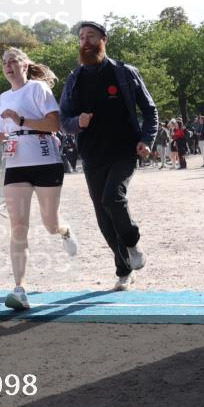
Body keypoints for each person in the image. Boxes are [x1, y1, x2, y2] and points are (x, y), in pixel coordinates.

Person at [59, 20, 158, 292]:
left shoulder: (125, 73)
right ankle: (124, 269)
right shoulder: (74, 79)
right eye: (81, 37)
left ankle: (132, 242)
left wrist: (146, 140)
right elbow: (62, 120)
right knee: (103, 216)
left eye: (91, 36)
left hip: (124, 149)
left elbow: (150, 110)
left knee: (112, 197)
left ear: (104, 39)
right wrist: (77, 121)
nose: (85, 41)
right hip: (91, 155)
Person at [0, 48, 78, 310]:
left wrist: (21, 119)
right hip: (15, 165)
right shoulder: (3, 97)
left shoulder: (38, 89)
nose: (8, 66)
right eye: (4, 63)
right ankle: (20, 289)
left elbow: (54, 125)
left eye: (13, 61)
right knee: (18, 227)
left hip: (45, 160)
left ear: (25, 65)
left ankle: (65, 231)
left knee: (50, 223)